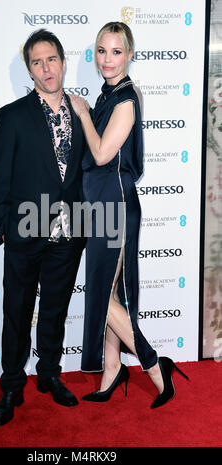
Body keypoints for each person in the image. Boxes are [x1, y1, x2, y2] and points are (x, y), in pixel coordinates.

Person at [69, 22, 188, 408]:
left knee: (102, 295)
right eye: (101, 51)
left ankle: (154, 367)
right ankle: (110, 370)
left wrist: (83, 113)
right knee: (110, 290)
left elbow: (103, 154)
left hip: (115, 205)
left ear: (130, 55)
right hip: (102, 202)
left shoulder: (123, 99)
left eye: (115, 52)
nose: (106, 59)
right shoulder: (112, 94)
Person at [0, 29, 86, 426]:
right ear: (29, 70)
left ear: (63, 61)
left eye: (52, 59)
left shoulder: (82, 111)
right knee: (17, 311)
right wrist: (4, 227)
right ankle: (12, 385)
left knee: (55, 310)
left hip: (68, 234)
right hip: (24, 232)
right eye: (37, 62)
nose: (46, 68)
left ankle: (49, 375)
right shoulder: (12, 116)